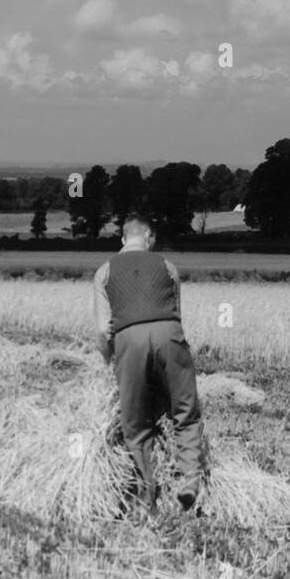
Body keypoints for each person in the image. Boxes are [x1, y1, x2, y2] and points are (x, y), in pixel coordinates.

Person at [93, 214, 208, 516]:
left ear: (123, 239)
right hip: (168, 334)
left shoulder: (104, 272)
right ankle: (189, 481)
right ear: (150, 237)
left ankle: (147, 490)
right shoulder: (167, 267)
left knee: (135, 423)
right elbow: (177, 315)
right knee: (185, 411)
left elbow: (103, 331)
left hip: (128, 341)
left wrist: (109, 363)